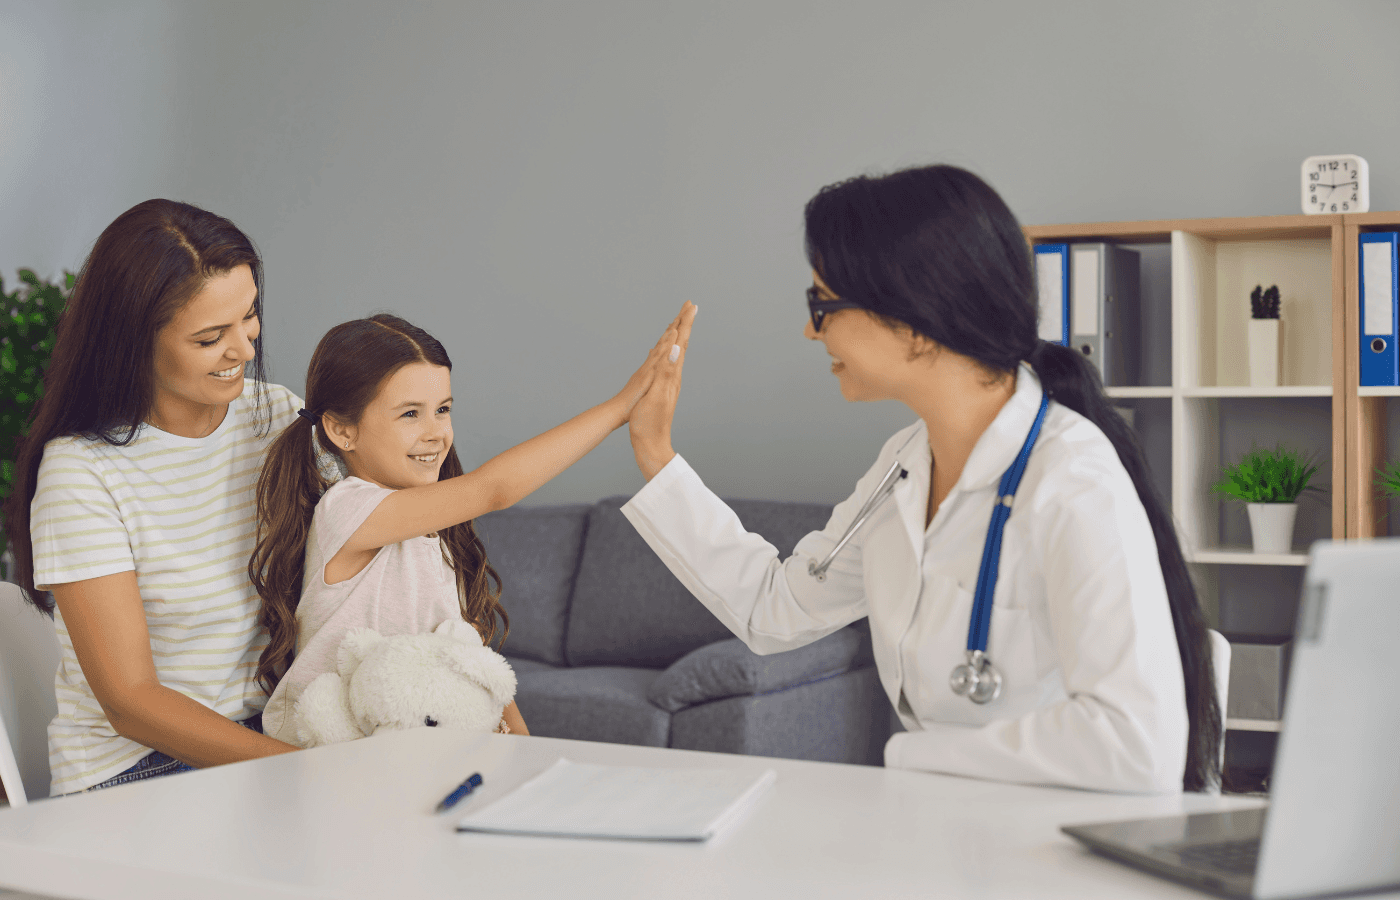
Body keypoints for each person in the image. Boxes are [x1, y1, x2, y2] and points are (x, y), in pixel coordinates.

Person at [622, 165, 1221, 794]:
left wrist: (915, 759)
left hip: (1047, 842)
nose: (810, 329)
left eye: (822, 304)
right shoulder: (904, 465)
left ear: (913, 323)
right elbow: (778, 608)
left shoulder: (1071, 478)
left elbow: (1135, 747)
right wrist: (655, 451)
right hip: (944, 822)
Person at [253, 308, 692, 744]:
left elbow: (468, 655)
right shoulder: (346, 510)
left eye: (442, 409)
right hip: (338, 765)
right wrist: (620, 408)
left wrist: (523, 747)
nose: (435, 432)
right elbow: (494, 490)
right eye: (410, 414)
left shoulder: (434, 533)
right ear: (341, 430)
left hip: (420, 755)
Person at [2, 199, 306, 794]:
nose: (244, 349)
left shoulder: (276, 417)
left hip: (269, 733)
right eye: (210, 337)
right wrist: (302, 770)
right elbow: (133, 703)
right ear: (133, 341)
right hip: (139, 768)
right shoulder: (81, 473)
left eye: (250, 317)